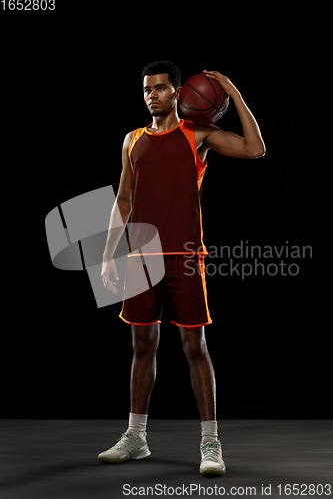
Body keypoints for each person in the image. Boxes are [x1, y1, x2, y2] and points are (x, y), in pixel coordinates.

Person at [99, 61, 265, 476]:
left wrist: (233, 91)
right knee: (142, 348)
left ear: (177, 92)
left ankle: (210, 442)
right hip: (140, 258)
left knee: (195, 348)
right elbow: (123, 200)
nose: (151, 95)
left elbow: (255, 148)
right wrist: (107, 255)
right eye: (145, 90)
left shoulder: (198, 136)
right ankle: (136, 437)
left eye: (159, 88)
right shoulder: (132, 140)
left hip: (186, 258)